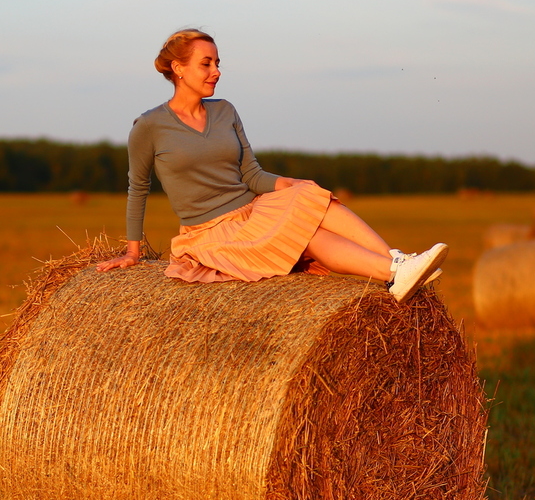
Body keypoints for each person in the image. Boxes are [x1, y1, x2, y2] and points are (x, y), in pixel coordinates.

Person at [96, 28, 447, 303]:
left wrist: (293, 184)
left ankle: (398, 264)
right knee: (307, 238)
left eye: (218, 63)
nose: (216, 71)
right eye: (207, 64)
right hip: (213, 233)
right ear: (178, 68)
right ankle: (394, 272)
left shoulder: (225, 111)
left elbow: (252, 174)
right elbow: (137, 188)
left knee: (311, 195)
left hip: (253, 211)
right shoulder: (150, 126)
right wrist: (132, 252)